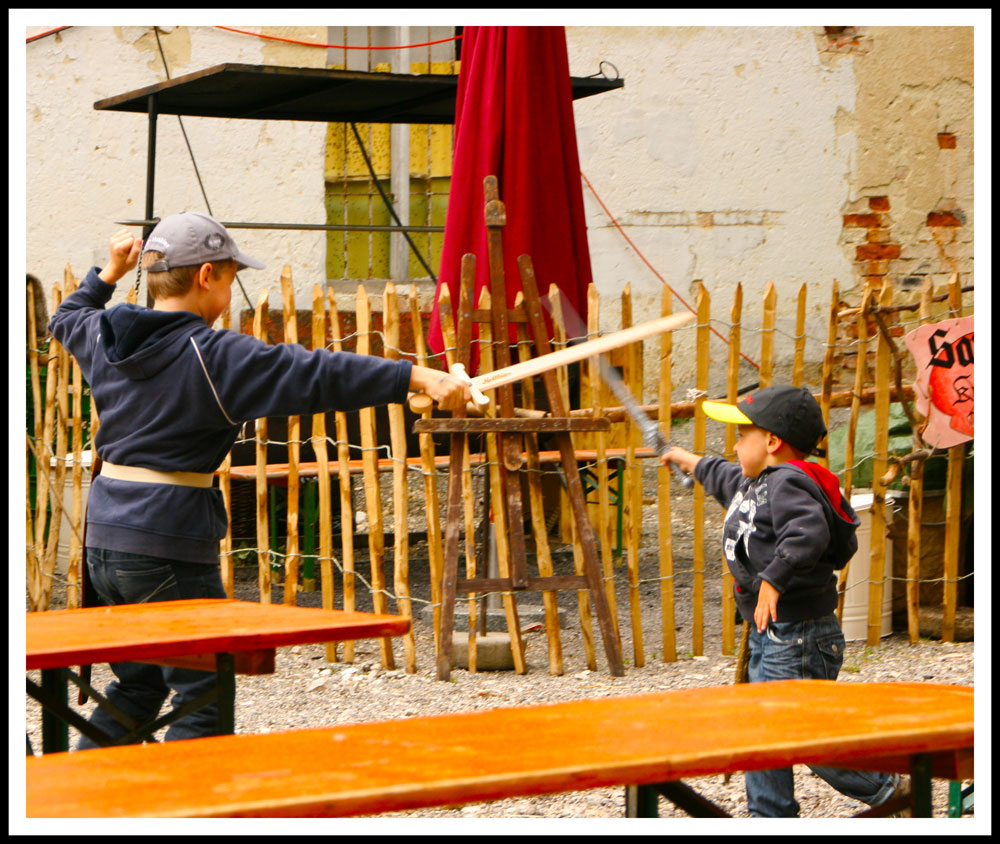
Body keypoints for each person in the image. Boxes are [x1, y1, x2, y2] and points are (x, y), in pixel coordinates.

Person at [48, 212, 471, 749]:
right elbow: (317, 373)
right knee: (203, 695)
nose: (230, 287)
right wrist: (418, 375)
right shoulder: (212, 354)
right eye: (228, 276)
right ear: (205, 277)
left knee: (139, 685)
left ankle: (77, 806)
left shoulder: (106, 335)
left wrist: (108, 273)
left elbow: (66, 315)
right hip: (166, 541)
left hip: (105, 539)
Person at [662, 385, 903, 818]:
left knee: (799, 733)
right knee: (762, 728)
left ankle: (888, 791)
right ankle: (770, 816)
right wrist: (684, 458)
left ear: (772, 442)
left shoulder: (789, 481)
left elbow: (808, 533)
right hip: (774, 633)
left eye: (741, 435)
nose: (734, 445)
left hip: (798, 636)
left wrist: (773, 580)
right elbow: (719, 473)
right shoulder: (755, 482)